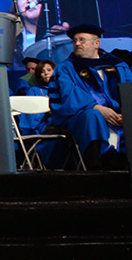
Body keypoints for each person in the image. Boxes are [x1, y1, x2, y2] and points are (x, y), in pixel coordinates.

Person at [48, 24, 132, 169]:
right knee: (92, 115)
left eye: (82, 40)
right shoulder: (66, 68)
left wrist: (127, 113)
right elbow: (69, 96)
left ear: (96, 43)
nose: (77, 44)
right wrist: (97, 107)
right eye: (74, 41)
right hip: (82, 116)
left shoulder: (119, 65)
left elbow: (128, 91)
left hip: (119, 117)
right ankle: (98, 165)